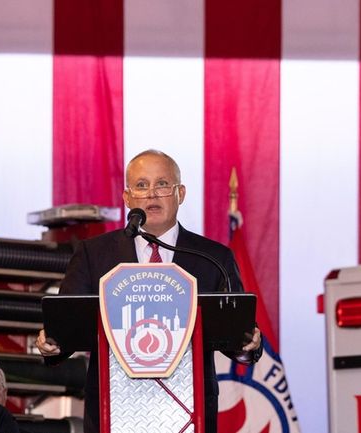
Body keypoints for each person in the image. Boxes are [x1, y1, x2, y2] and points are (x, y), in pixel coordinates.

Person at [35, 149, 263, 433]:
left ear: (180, 193)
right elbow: (67, 323)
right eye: (141, 185)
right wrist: (52, 343)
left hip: (190, 409)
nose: (152, 194)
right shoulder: (94, 253)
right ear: (127, 198)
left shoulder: (213, 257)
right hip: (113, 408)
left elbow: (236, 335)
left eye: (162, 184)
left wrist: (248, 344)